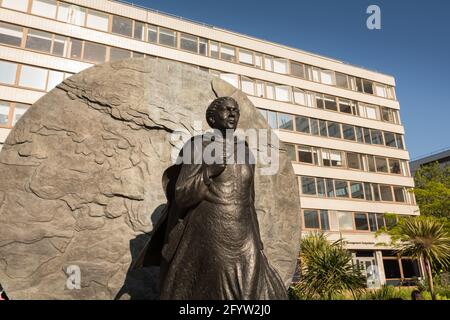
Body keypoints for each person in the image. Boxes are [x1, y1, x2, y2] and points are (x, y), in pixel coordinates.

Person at [134, 97, 287, 300]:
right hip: (211, 232)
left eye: (236, 110)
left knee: (251, 293)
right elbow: (182, 194)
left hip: (245, 234)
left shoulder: (245, 150)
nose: (232, 113)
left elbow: (250, 198)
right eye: (226, 109)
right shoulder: (198, 145)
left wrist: (257, 239)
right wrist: (209, 172)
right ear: (212, 118)